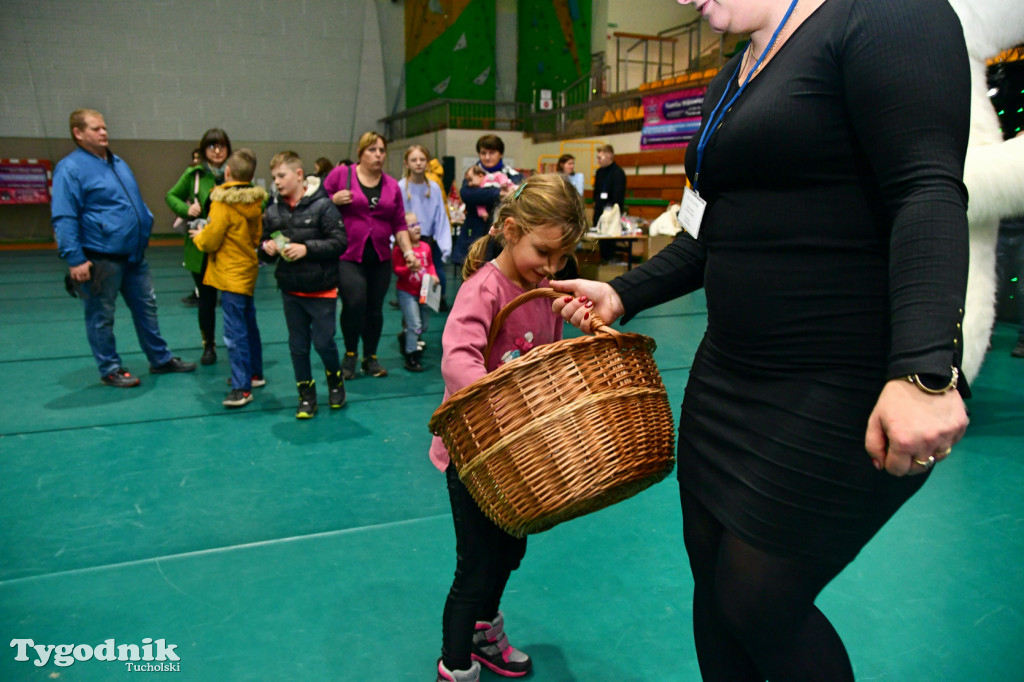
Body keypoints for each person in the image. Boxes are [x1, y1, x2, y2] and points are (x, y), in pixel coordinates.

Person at [553, 0, 971, 679]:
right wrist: (624, 292)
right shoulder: (735, 72)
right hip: (727, 381)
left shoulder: (886, 15)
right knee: (712, 585)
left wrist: (925, 369)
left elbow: (925, 189)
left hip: (839, 383)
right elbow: (708, 234)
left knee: (759, 602)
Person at [430, 174, 588, 682]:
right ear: (512, 229)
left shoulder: (544, 289)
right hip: (475, 455)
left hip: (516, 457)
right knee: (474, 568)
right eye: (544, 252)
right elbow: (458, 359)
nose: (553, 266)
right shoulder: (484, 289)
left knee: (509, 550)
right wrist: (496, 411)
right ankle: (455, 667)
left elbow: (545, 360)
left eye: (562, 258)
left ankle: (482, 633)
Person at [52, 109, 196, 388]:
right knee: (101, 315)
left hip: (133, 255)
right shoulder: (70, 169)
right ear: (78, 134)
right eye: (96, 129)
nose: (104, 132)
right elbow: (64, 216)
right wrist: (75, 258)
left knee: (147, 308)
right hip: (100, 258)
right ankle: (110, 368)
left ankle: (160, 359)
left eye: (104, 127)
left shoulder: (117, 163)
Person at [260, 151, 348, 418]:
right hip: (291, 290)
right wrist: (267, 247)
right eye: (274, 176)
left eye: (282, 175)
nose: (276, 181)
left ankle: (335, 381)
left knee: (323, 342)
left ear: (299, 175)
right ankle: (306, 395)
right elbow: (262, 247)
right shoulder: (273, 211)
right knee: (297, 347)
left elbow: (339, 242)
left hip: (322, 289)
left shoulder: (323, 207)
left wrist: (306, 249)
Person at [323, 132, 418, 379]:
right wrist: (333, 199)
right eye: (372, 150)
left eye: (381, 151)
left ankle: (371, 357)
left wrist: (408, 251)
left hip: (379, 256)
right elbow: (317, 204)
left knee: (374, 309)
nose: (378, 155)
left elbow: (399, 223)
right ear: (360, 153)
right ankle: (351, 353)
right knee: (354, 303)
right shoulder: (341, 175)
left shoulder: (391, 186)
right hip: (348, 254)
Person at [190, 149, 268, 408]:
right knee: (249, 325)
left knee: (234, 333)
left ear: (227, 173)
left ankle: (241, 387)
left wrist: (199, 237)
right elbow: (256, 237)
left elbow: (212, 240)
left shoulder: (222, 203)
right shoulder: (255, 203)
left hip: (230, 274)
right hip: (247, 270)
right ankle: (254, 374)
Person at [166, 128, 233, 365]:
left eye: (222, 146)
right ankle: (209, 345)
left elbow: (257, 198)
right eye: (212, 146)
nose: (217, 151)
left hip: (228, 249)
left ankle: (237, 345)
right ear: (204, 150)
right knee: (206, 300)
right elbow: (171, 196)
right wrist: (186, 210)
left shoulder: (235, 174)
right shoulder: (194, 174)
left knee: (234, 300)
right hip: (201, 249)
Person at [453, 134, 523, 266]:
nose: (487, 157)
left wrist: (485, 194)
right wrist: (500, 194)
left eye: (492, 153)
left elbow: (519, 195)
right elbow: (468, 194)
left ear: (500, 154)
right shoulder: (471, 173)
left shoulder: (513, 175)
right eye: (483, 153)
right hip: (474, 237)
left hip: (503, 239)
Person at [399, 145, 453, 310]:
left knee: (436, 274)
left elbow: (441, 217)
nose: (418, 163)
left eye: (422, 159)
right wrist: (394, 240)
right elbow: (396, 215)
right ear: (407, 164)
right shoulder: (401, 187)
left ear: (427, 163)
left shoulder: (434, 188)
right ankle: (409, 324)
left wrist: (445, 244)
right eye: (414, 160)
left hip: (428, 241)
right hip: (407, 242)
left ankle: (435, 303)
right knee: (408, 280)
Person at [392, 212, 439, 372]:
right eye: (411, 226)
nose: (416, 227)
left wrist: (433, 274)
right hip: (407, 292)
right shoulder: (401, 250)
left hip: (424, 292)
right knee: (415, 324)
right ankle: (411, 354)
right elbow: (397, 270)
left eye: (417, 224)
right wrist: (408, 269)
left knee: (423, 325)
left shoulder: (426, 247)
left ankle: (406, 337)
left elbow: (431, 264)